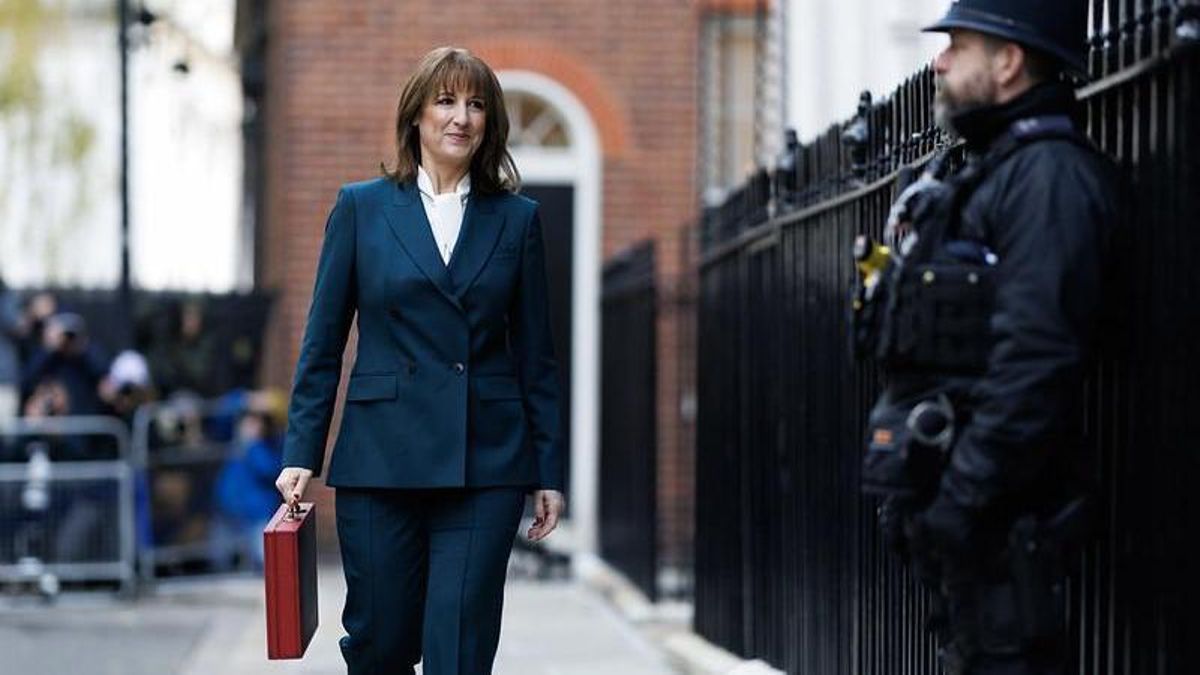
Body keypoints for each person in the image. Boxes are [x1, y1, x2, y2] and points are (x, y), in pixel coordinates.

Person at [275, 46, 565, 674]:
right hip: (380, 459)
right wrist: (303, 450)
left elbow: (537, 357)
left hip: (484, 460)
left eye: (476, 104)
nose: (461, 117)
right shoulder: (362, 208)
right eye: (446, 100)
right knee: (380, 642)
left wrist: (549, 469)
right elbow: (323, 341)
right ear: (416, 115)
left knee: (460, 646)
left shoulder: (518, 221)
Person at [852, 2, 1119, 674]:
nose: (939, 62)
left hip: (1004, 531)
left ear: (1008, 62)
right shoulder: (990, 171)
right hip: (970, 542)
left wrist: (958, 503)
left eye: (958, 47)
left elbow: (1036, 362)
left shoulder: (1050, 178)